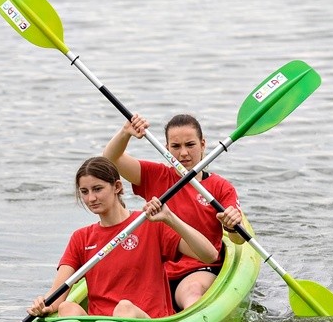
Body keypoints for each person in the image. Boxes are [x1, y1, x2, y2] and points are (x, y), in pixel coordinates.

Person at [27, 156, 219, 320]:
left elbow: (209, 255)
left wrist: (170, 219)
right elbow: (57, 294)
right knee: (66, 308)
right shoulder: (81, 238)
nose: (91, 198)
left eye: (97, 189)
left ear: (117, 187)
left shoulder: (149, 224)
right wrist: (43, 305)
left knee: (124, 308)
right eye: (84, 192)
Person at [103, 113, 244, 311]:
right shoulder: (155, 175)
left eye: (190, 144)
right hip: (156, 271)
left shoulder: (221, 187)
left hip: (198, 269)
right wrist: (125, 133)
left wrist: (233, 226)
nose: (183, 153)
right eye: (176, 147)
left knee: (191, 292)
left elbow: (238, 240)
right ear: (166, 148)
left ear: (203, 145)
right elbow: (110, 159)